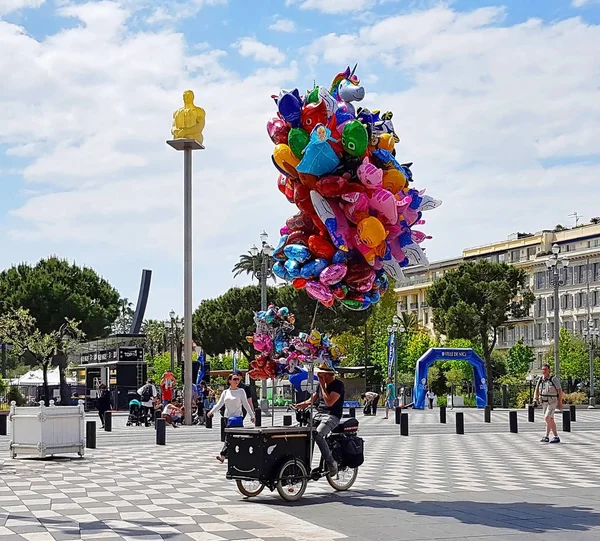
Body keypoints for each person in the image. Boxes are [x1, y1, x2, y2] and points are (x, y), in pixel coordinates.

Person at [297, 365, 344, 476]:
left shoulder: (338, 385)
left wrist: (323, 386)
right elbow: (313, 398)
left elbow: (329, 402)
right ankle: (305, 465)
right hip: (319, 414)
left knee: (318, 434)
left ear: (327, 374)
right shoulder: (319, 385)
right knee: (305, 434)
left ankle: (331, 463)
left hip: (332, 415)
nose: (318, 376)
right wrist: (301, 405)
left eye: (320, 374)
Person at [208, 373, 255, 463]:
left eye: (238, 379)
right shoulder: (226, 392)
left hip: (237, 418)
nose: (237, 381)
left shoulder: (241, 391)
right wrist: (211, 412)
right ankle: (226, 455)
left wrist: (252, 416)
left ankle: (231, 455)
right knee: (229, 438)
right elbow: (219, 404)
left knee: (237, 438)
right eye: (234, 379)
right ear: (229, 381)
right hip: (228, 418)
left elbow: (246, 405)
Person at [534, 364, 563, 443]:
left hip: (552, 401)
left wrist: (560, 402)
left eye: (545, 369)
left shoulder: (553, 379)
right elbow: (536, 390)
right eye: (543, 369)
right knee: (550, 419)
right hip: (544, 402)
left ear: (549, 370)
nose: (544, 371)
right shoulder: (540, 379)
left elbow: (560, 390)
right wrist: (535, 399)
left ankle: (548, 436)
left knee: (547, 418)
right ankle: (554, 436)